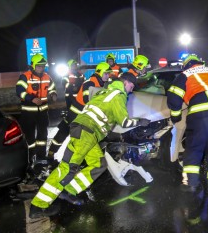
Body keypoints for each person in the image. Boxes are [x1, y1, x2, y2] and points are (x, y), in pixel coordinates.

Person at [29, 73, 151, 219]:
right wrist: (140, 122)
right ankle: (38, 206)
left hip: (88, 132)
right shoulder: (118, 95)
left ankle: (69, 190)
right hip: (86, 132)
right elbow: (124, 122)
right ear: (125, 83)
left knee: (99, 164)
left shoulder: (105, 91)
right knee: (67, 168)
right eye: (131, 86)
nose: (131, 90)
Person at [167, 54, 208, 201]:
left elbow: (174, 96)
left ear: (186, 65)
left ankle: (190, 184)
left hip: (200, 114)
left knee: (194, 149)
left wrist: (175, 116)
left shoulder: (185, 74)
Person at [46, 62, 110, 163]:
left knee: (70, 134)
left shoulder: (100, 84)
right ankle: (51, 155)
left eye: (108, 74)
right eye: (106, 73)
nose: (108, 76)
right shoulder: (90, 83)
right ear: (100, 72)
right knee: (65, 133)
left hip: (83, 115)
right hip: (76, 115)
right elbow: (87, 99)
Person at [16, 53, 58, 171]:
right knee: (29, 135)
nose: (41, 68)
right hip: (28, 112)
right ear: (33, 66)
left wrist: (53, 94)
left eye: (43, 66)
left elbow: (52, 88)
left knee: (42, 135)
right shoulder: (25, 77)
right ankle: (30, 157)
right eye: (39, 66)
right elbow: (19, 91)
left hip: (43, 112)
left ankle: (41, 156)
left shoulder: (47, 77)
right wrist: (32, 99)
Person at [46, 59, 84, 161]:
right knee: (64, 130)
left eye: (76, 65)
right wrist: (76, 85)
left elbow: (82, 87)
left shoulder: (80, 75)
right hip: (71, 107)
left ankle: (77, 158)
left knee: (78, 133)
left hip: (80, 108)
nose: (75, 67)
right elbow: (70, 88)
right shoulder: (66, 76)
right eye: (73, 65)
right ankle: (51, 153)